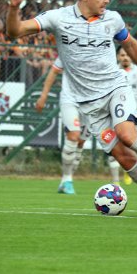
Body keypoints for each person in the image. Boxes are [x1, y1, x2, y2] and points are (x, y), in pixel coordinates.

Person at [6, 0, 137, 219]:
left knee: (127, 135)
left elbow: (131, 45)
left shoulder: (112, 19)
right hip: (89, 105)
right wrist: (13, 7)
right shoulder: (58, 18)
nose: (106, 1)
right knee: (124, 158)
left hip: (115, 88)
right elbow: (15, 31)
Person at [35, 57, 89, 194]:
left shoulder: (99, 48)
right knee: (73, 136)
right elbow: (53, 71)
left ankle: (65, 180)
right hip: (69, 99)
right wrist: (43, 96)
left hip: (91, 101)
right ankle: (67, 179)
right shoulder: (68, 47)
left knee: (81, 142)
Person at [107, 48, 137, 185]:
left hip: (131, 112)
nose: (125, 58)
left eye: (128, 55)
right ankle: (115, 182)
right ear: (118, 56)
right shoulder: (112, 71)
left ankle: (127, 170)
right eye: (122, 55)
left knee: (130, 145)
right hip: (114, 112)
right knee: (113, 145)